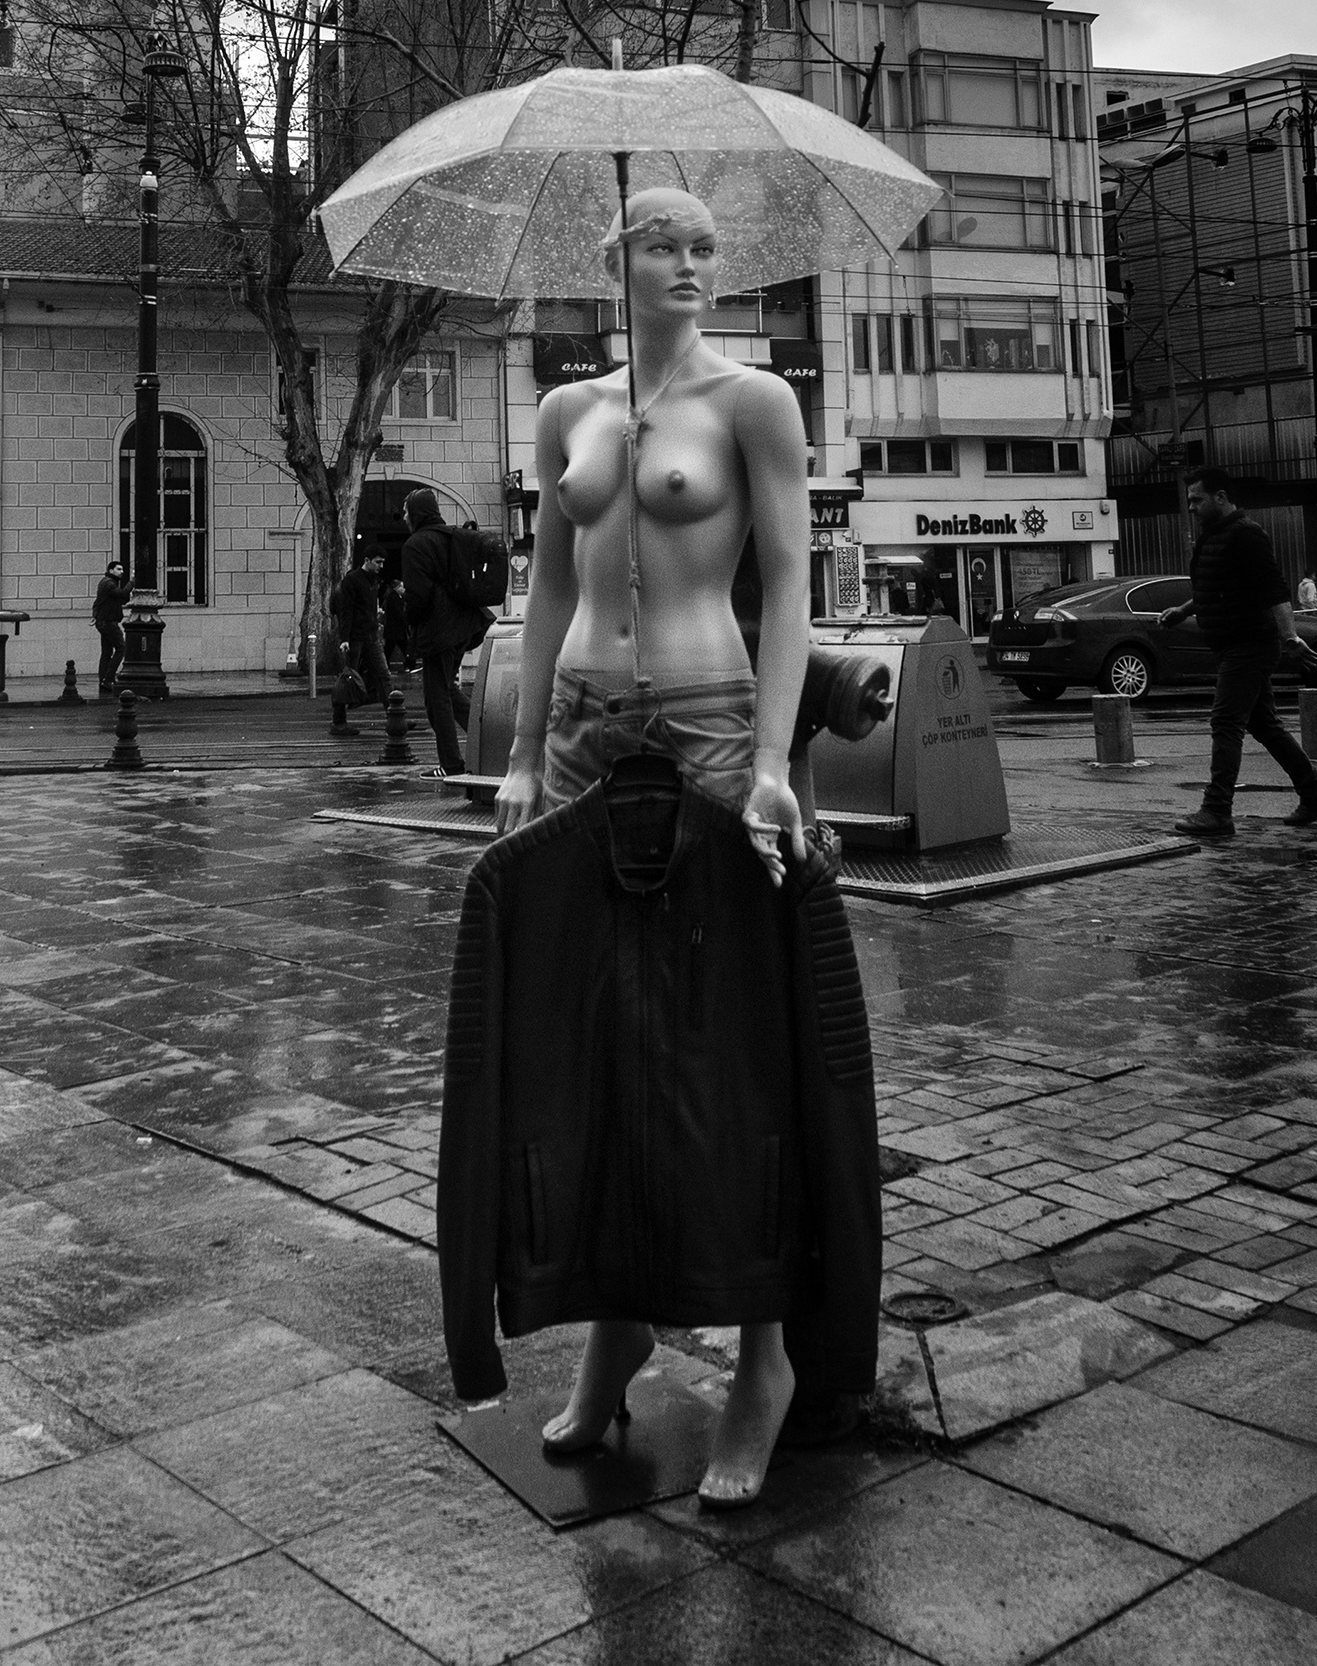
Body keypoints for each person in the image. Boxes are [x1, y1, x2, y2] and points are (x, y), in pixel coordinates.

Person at [492, 187, 816, 1508]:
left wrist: (776, 761)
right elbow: (545, 587)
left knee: (724, 1041)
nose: (688, 261)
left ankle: (762, 1358)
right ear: (613, 260)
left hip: (707, 721)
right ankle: (615, 1329)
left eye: (703, 246)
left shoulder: (755, 402)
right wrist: (521, 747)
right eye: (662, 243)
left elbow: (787, 579)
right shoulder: (569, 409)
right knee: (593, 1038)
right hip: (581, 724)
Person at [1160, 469, 1317, 833]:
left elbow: (1273, 589)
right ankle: (1315, 794)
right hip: (1232, 644)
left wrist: (1290, 636)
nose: (1191, 507)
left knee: (1226, 722)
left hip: (1249, 644)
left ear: (1221, 497)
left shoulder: (1246, 534)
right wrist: (1183, 610)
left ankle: (1216, 810)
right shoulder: (1215, 534)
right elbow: (1220, 586)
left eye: (1197, 500)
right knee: (1265, 726)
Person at [402, 489, 493, 776]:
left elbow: (418, 596)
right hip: (466, 625)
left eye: (406, 511)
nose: (403, 517)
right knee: (448, 691)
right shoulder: (453, 536)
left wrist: (410, 623)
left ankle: (451, 764)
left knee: (436, 698)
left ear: (416, 513)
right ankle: (491, 743)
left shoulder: (416, 544)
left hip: (439, 630)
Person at [329, 547, 391, 736]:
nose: (381, 566)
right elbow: (346, 610)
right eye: (378, 562)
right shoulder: (353, 580)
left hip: (370, 636)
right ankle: (338, 722)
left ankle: (395, 715)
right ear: (367, 560)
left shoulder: (372, 580)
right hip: (356, 637)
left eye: (382, 562)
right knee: (347, 678)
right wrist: (345, 638)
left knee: (383, 676)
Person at [92, 559, 129, 693]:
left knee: (107, 652)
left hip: (103, 621)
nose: (122, 572)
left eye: (122, 569)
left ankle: (104, 681)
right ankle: (108, 679)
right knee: (121, 648)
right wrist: (131, 583)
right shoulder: (109, 583)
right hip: (109, 622)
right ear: (111, 570)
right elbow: (122, 594)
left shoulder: (107, 582)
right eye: (118, 569)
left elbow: (120, 599)